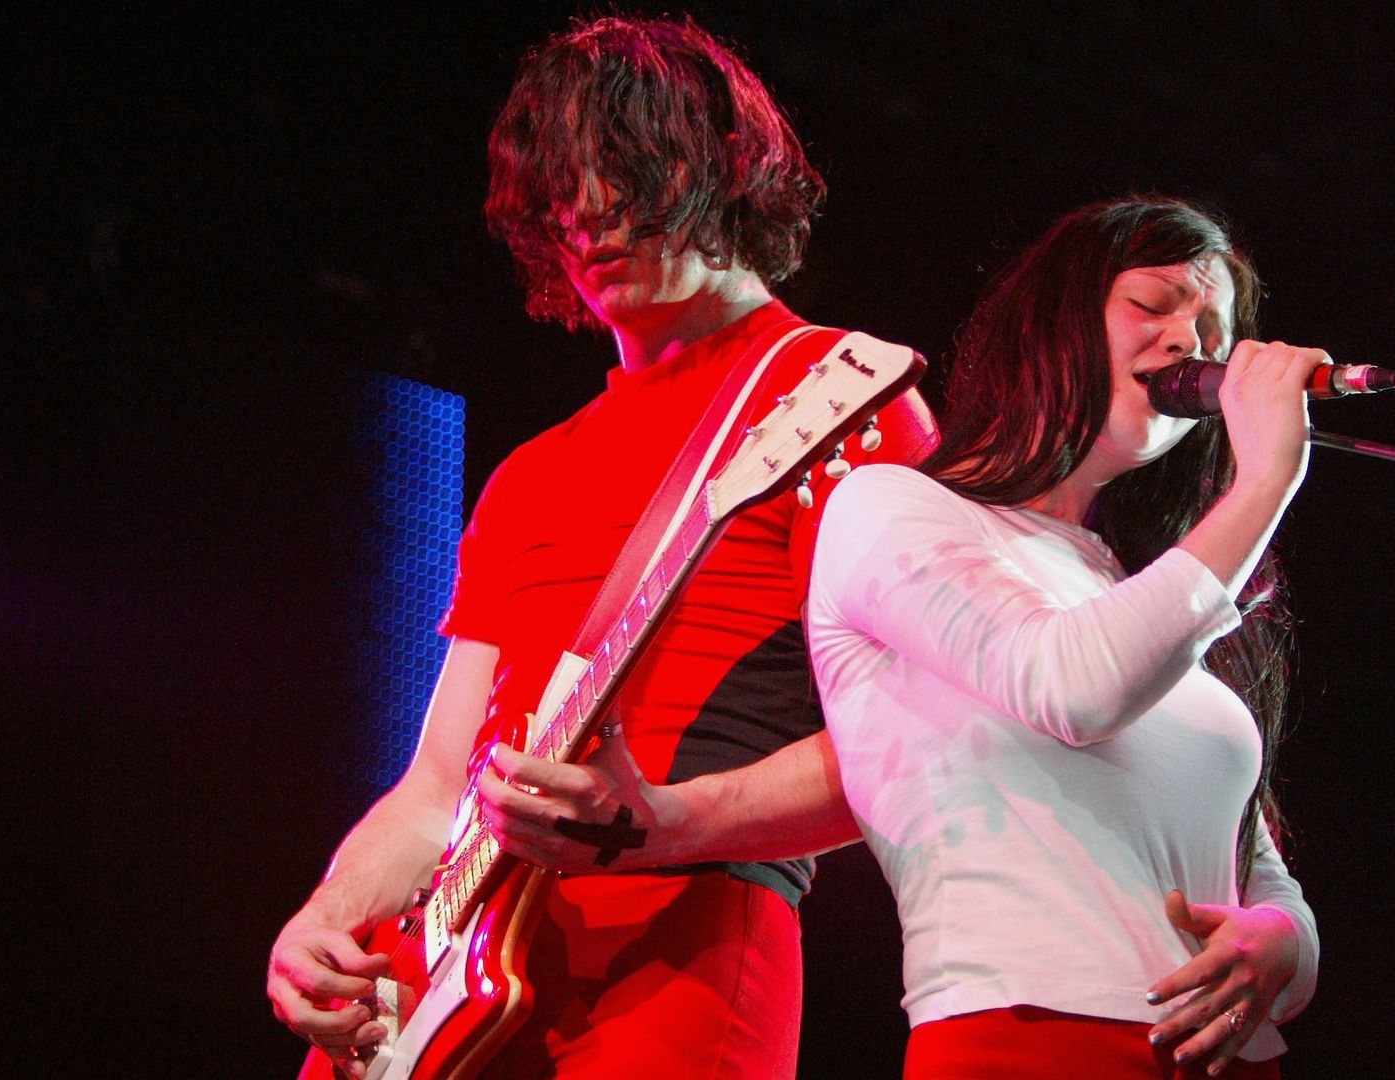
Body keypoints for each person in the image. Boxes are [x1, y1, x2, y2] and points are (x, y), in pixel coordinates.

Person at [265, 16, 933, 1079]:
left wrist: (662, 822)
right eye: (558, 188)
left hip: (684, 950)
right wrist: (326, 922)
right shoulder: (529, 474)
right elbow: (436, 784)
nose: (586, 214)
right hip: (447, 986)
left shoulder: (834, 401)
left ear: (722, 166)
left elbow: (917, 748)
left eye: (622, 170)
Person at [801, 197, 1320, 1078]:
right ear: (1056, 318)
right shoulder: (893, 510)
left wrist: (1280, 940)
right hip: (1033, 1039)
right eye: (1153, 305)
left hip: (1235, 1059)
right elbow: (1071, 688)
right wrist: (1266, 481)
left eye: (1209, 328)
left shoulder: (1143, 590)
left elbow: (1251, 855)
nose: (1188, 341)